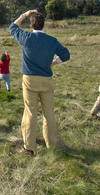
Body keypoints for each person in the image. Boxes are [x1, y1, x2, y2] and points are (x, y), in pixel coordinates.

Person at [10, 10, 70, 155]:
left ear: (31, 25)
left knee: (30, 113)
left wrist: (25, 14)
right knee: (49, 114)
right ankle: (52, 145)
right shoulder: (52, 41)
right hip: (47, 80)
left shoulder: (27, 37)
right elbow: (66, 55)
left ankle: (29, 148)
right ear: (44, 25)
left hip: (30, 80)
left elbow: (13, 27)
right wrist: (53, 63)